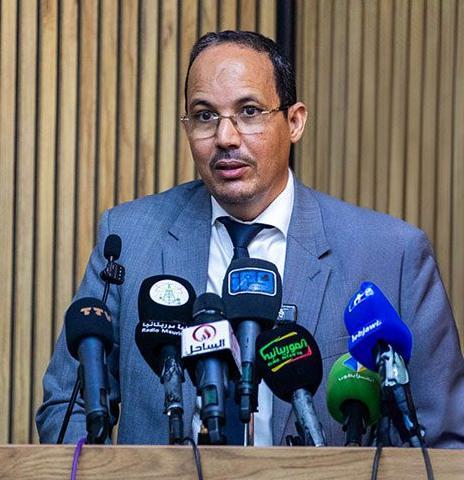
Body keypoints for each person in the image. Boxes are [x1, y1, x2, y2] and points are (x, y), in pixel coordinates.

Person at [36, 30, 464, 447]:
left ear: (294, 122)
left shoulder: (391, 255)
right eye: (205, 116)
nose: (226, 138)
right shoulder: (128, 238)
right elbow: (66, 407)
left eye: (249, 112)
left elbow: (441, 441)